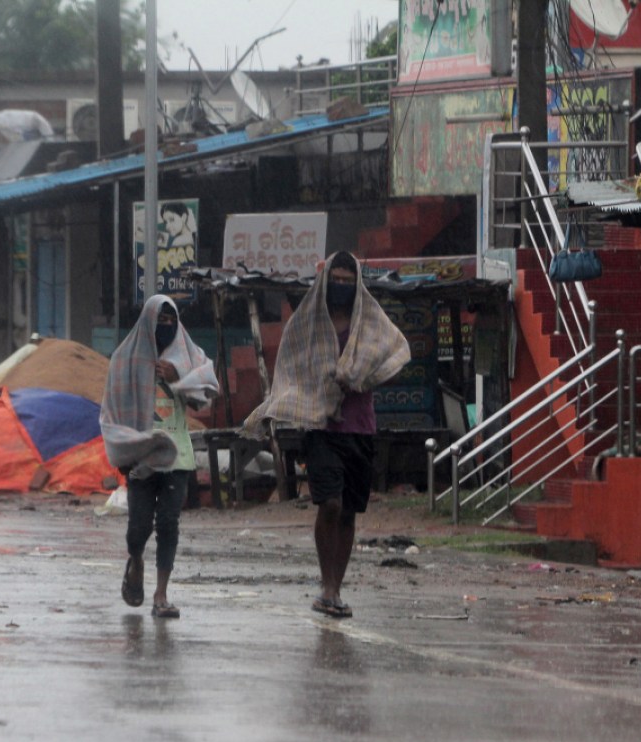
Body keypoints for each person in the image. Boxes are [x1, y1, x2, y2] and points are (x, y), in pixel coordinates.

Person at [242, 251, 410, 619]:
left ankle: (337, 587)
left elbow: (396, 359)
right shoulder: (308, 322)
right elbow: (291, 365)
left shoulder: (370, 322)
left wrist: (362, 376)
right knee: (329, 504)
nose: (342, 287)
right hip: (320, 426)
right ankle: (327, 584)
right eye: (336, 279)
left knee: (349, 512)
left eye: (349, 281)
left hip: (360, 428)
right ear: (325, 281)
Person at [101, 295, 218, 619]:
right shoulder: (125, 359)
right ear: (147, 323)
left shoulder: (189, 356)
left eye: (171, 321)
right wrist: (122, 450)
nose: (165, 327)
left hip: (177, 456)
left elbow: (203, 399)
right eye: (159, 321)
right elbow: (112, 409)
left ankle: (161, 594)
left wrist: (178, 375)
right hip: (141, 457)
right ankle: (135, 561)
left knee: (168, 523)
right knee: (138, 527)